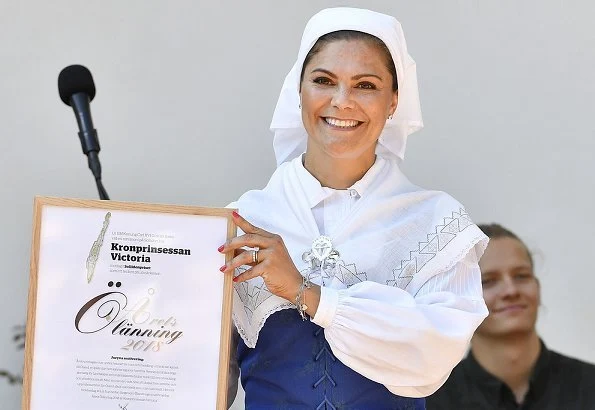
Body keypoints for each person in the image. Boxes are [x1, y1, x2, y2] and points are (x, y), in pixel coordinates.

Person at [218, 7, 489, 409]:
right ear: (299, 90)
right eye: (324, 81)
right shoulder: (242, 221)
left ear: (394, 100)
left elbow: (432, 357)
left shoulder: (434, 225)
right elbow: (204, 378)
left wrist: (307, 294)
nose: (342, 102)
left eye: (365, 85)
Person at [426, 223, 595, 409]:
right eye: (488, 281)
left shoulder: (588, 385)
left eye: (521, 276)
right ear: (460, 299)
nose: (511, 290)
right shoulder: (431, 401)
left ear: (538, 287)